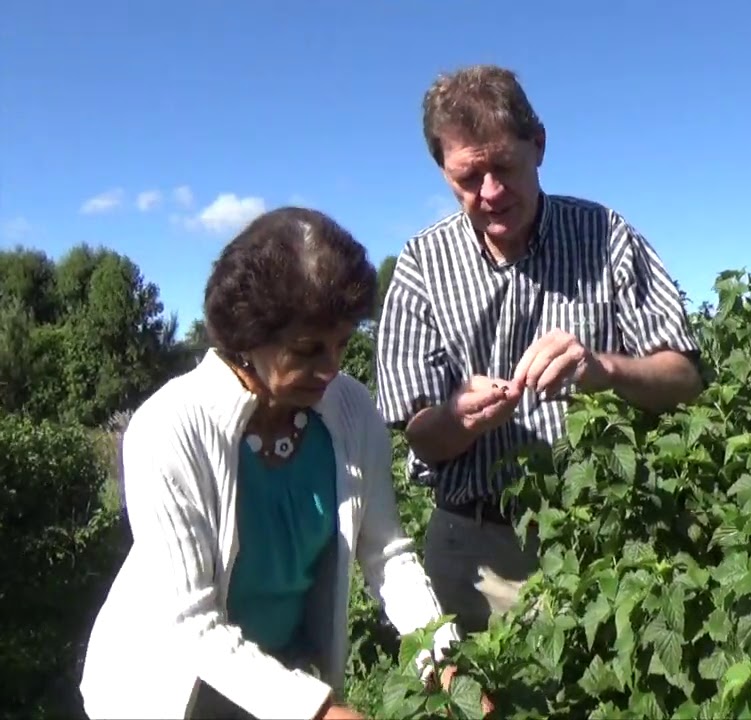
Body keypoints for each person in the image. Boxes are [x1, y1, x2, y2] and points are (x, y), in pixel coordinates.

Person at [79, 207, 476, 720]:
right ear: (247, 336)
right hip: (166, 690)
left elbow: (387, 555)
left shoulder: (351, 411)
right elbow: (191, 622)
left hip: (282, 679)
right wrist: (320, 712)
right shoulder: (170, 428)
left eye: (342, 343)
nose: (331, 368)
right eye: (308, 349)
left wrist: (443, 660)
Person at [375, 65, 705, 636]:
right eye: (468, 177)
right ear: (443, 172)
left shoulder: (605, 236)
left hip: (603, 544)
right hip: (475, 553)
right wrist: (459, 419)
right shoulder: (422, 266)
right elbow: (419, 433)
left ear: (540, 146)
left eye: (504, 166)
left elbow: (685, 379)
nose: (491, 192)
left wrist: (605, 368)